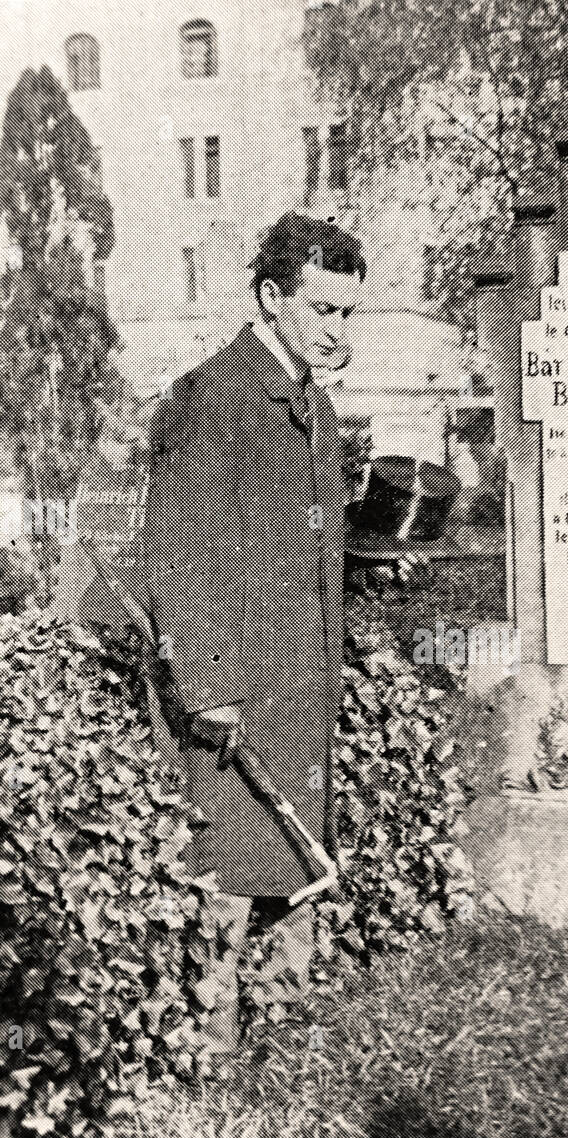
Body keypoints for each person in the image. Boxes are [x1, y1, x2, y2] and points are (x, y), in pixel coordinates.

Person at [140, 214, 366, 1044]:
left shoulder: (316, 409)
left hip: (299, 693)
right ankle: (212, 1062)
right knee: (225, 885)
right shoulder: (214, 397)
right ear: (272, 297)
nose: (337, 330)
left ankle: (284, 1051)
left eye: (349, 313)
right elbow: (181, 551)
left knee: (296, 868)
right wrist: (210, 687)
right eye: (324, 310)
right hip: (231, 706)